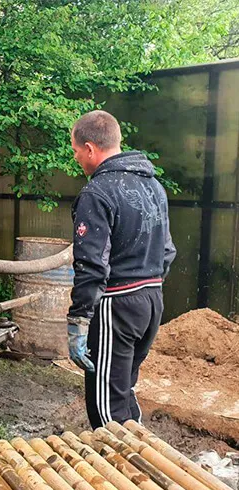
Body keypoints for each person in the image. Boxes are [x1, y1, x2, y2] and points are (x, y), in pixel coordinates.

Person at [66, 110, 176, 430]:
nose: (75, 158)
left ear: (89, 148)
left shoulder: (97, 192)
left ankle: (118, 470)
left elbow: (91, 265)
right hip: (151, 300)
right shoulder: (154, 186)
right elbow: (167, 251)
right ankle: (140, 466)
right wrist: (146, 285)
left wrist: (79, 321)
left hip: (118, 303)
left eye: (75, 150)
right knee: (123, 391)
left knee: (105, 409)